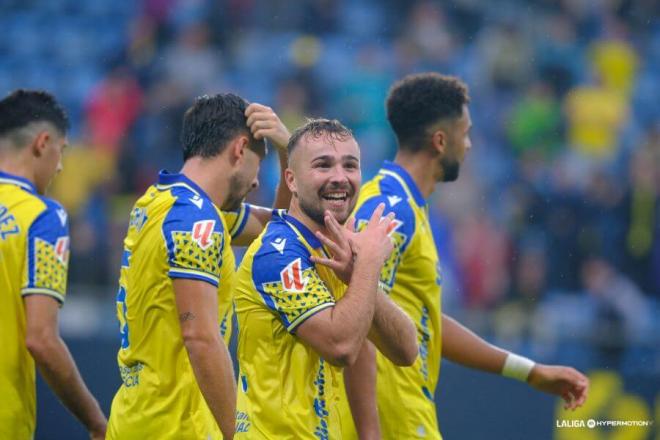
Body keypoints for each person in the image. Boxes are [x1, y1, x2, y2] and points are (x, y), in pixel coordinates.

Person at [351, 73, 590, 439]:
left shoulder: (404, 203)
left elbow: (425, 323)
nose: (470, 145)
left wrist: (528, 370)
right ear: (440, 140)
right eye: (465, 133)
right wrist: (370, 431)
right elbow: (358, 312)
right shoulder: (390, 207)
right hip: (392, 418)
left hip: (405, 411)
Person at [106, 93, 291, 439]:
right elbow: (201, 337)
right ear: (239, 149)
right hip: (176, 425)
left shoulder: (159, 202)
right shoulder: (196, 222)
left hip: (136, 415)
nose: (255, 183)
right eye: (256, 164)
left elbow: (279, 229)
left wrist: (286, 153)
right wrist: (235, 434)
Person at [233, 118, 418, 439]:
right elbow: (342, 346)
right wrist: (369, 264)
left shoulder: (335, 249)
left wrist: (359, 275)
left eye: (350, 166)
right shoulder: (278, 255)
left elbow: (406, 352)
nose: (340, 178)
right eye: (323, 165)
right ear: (290, 179)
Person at [0, 90, 107, 439]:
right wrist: (95, 421)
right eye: (61, 151)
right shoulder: (42, 217)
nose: (60, 166)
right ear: (43, 143)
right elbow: (41, 339)